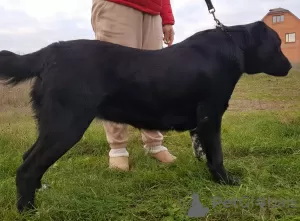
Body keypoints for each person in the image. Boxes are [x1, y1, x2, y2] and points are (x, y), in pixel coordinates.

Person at [91, 0, 177, 171]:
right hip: (117, 5)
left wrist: (166, 18)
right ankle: (118, 149)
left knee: (152, 80)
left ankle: (154, 144)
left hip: (153, 10)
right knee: (116, 78)